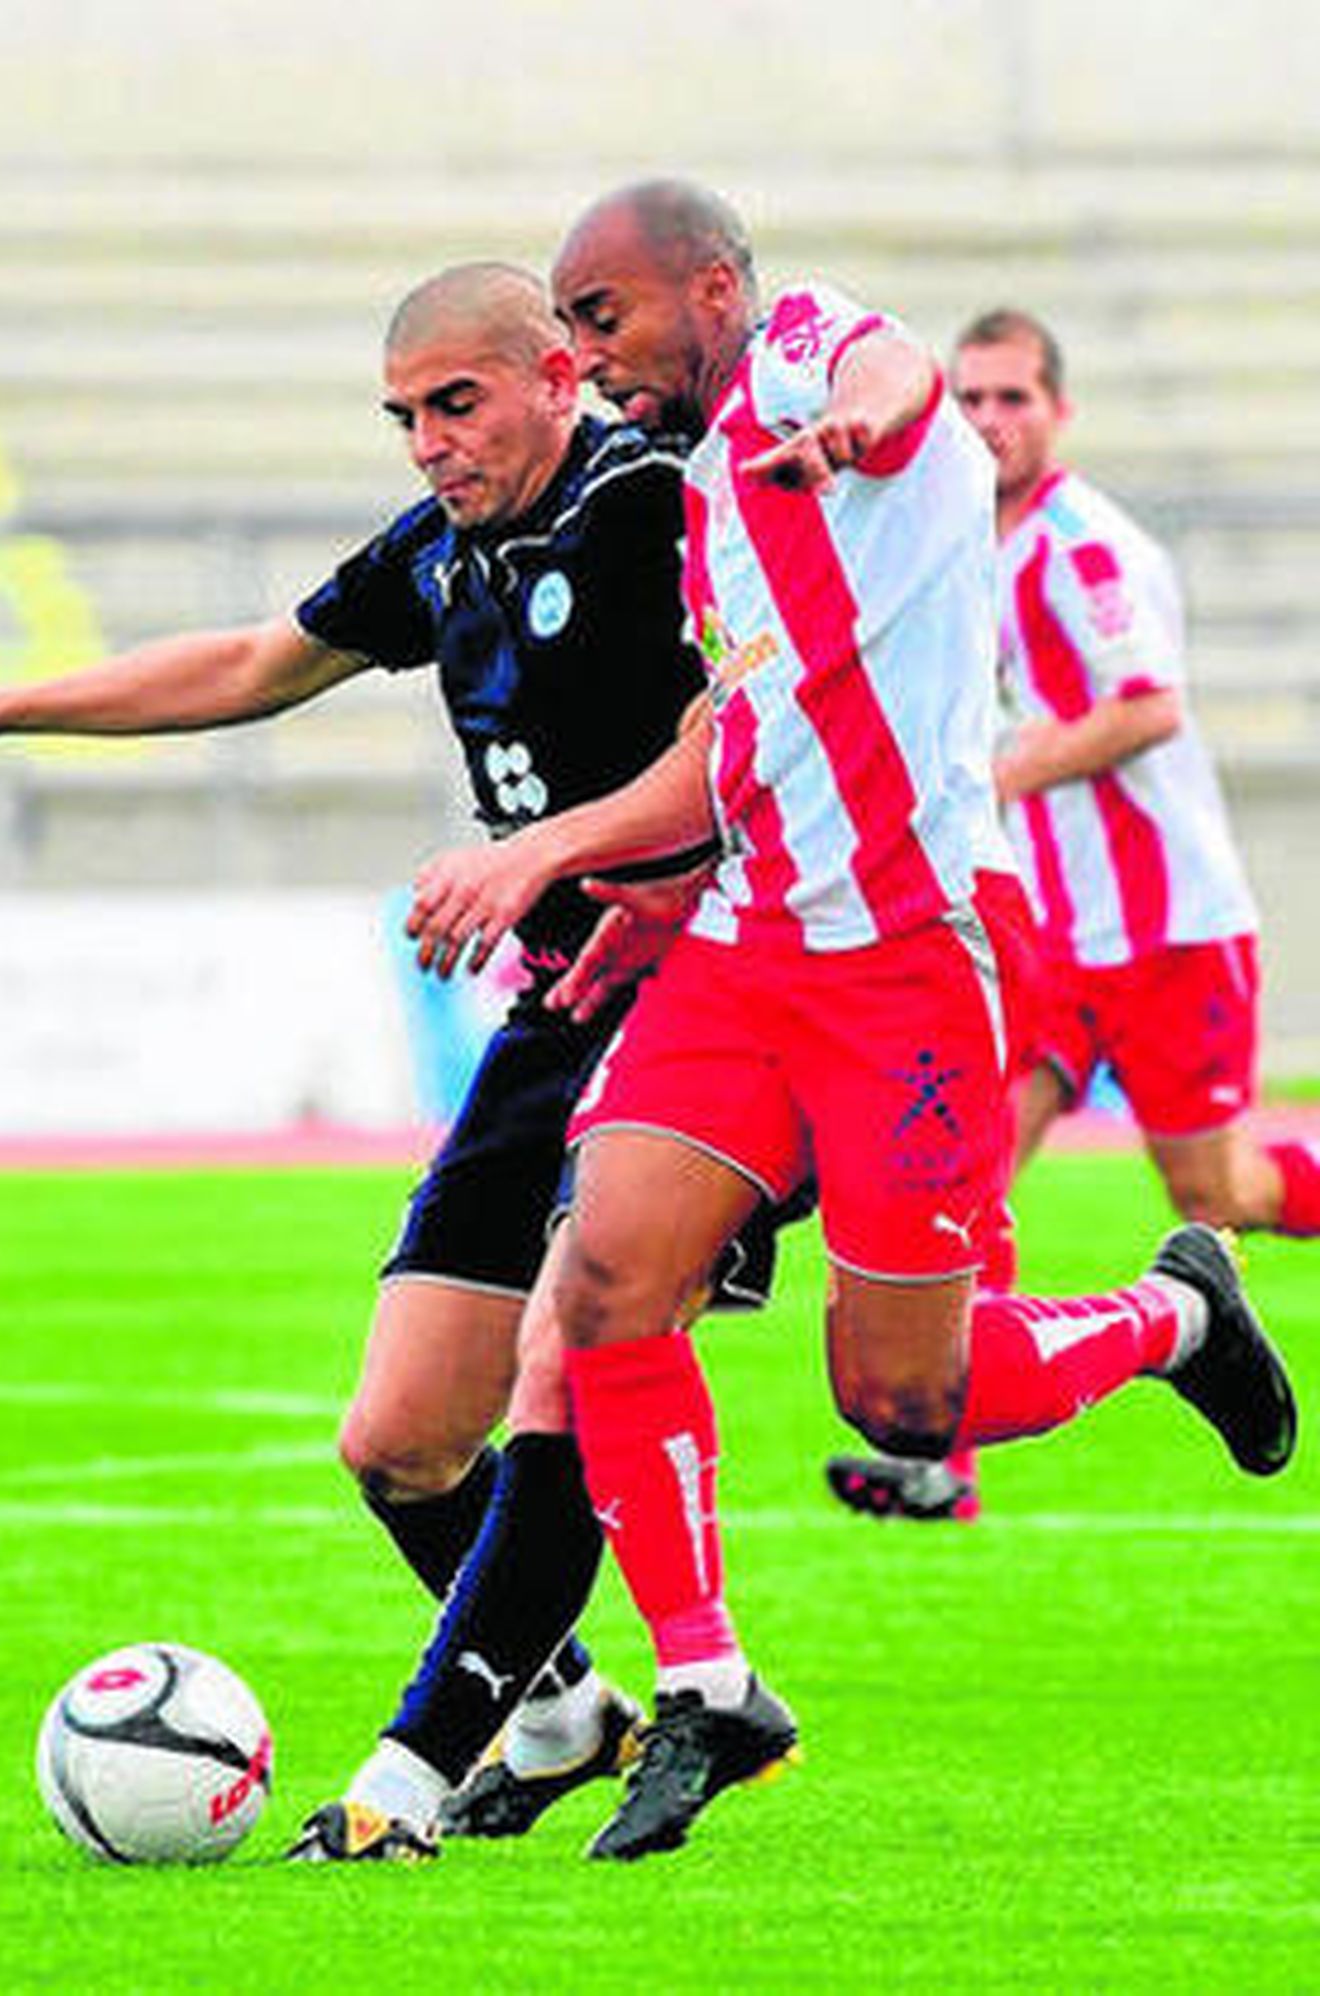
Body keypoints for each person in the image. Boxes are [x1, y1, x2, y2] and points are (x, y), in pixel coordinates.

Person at [0, 260, 795, 1859]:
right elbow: (257, 665)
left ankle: (401, 1791)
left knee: (572, 1365)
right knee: (400, 1442)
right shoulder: (447, 551)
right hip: (556, 1000)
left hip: (710, 1005)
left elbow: (757, 723)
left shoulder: (658, 507)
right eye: (403, 417)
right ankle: (558, 1712)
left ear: (558, 373)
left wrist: (558, 848)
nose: (427, 444)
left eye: (455, 404)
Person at [404, 182, 1298, 1862]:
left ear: (714, 289)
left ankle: (1178, 1316)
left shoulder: (807, 359)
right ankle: (710, 1685)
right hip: (744, 948)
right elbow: (744, 733)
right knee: (603, 1282)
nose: (587, 362)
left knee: (908, 1403)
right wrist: (638, 883)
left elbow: (889, 374)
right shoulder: (689, 499)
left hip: (908, 963)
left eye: (603, 321)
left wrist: (853, 431)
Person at [826, 307, 1320, 1525]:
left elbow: (1147, 704)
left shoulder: (1087, 548)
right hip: (1049, 932)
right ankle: (941, 1454)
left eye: (1014, 399)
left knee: (1218, 1190)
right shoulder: (968, 543)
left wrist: (994, 770)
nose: (991, 421)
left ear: (1059, 412)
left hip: (1165, 930)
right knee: (972, 1157)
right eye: (972, 400)